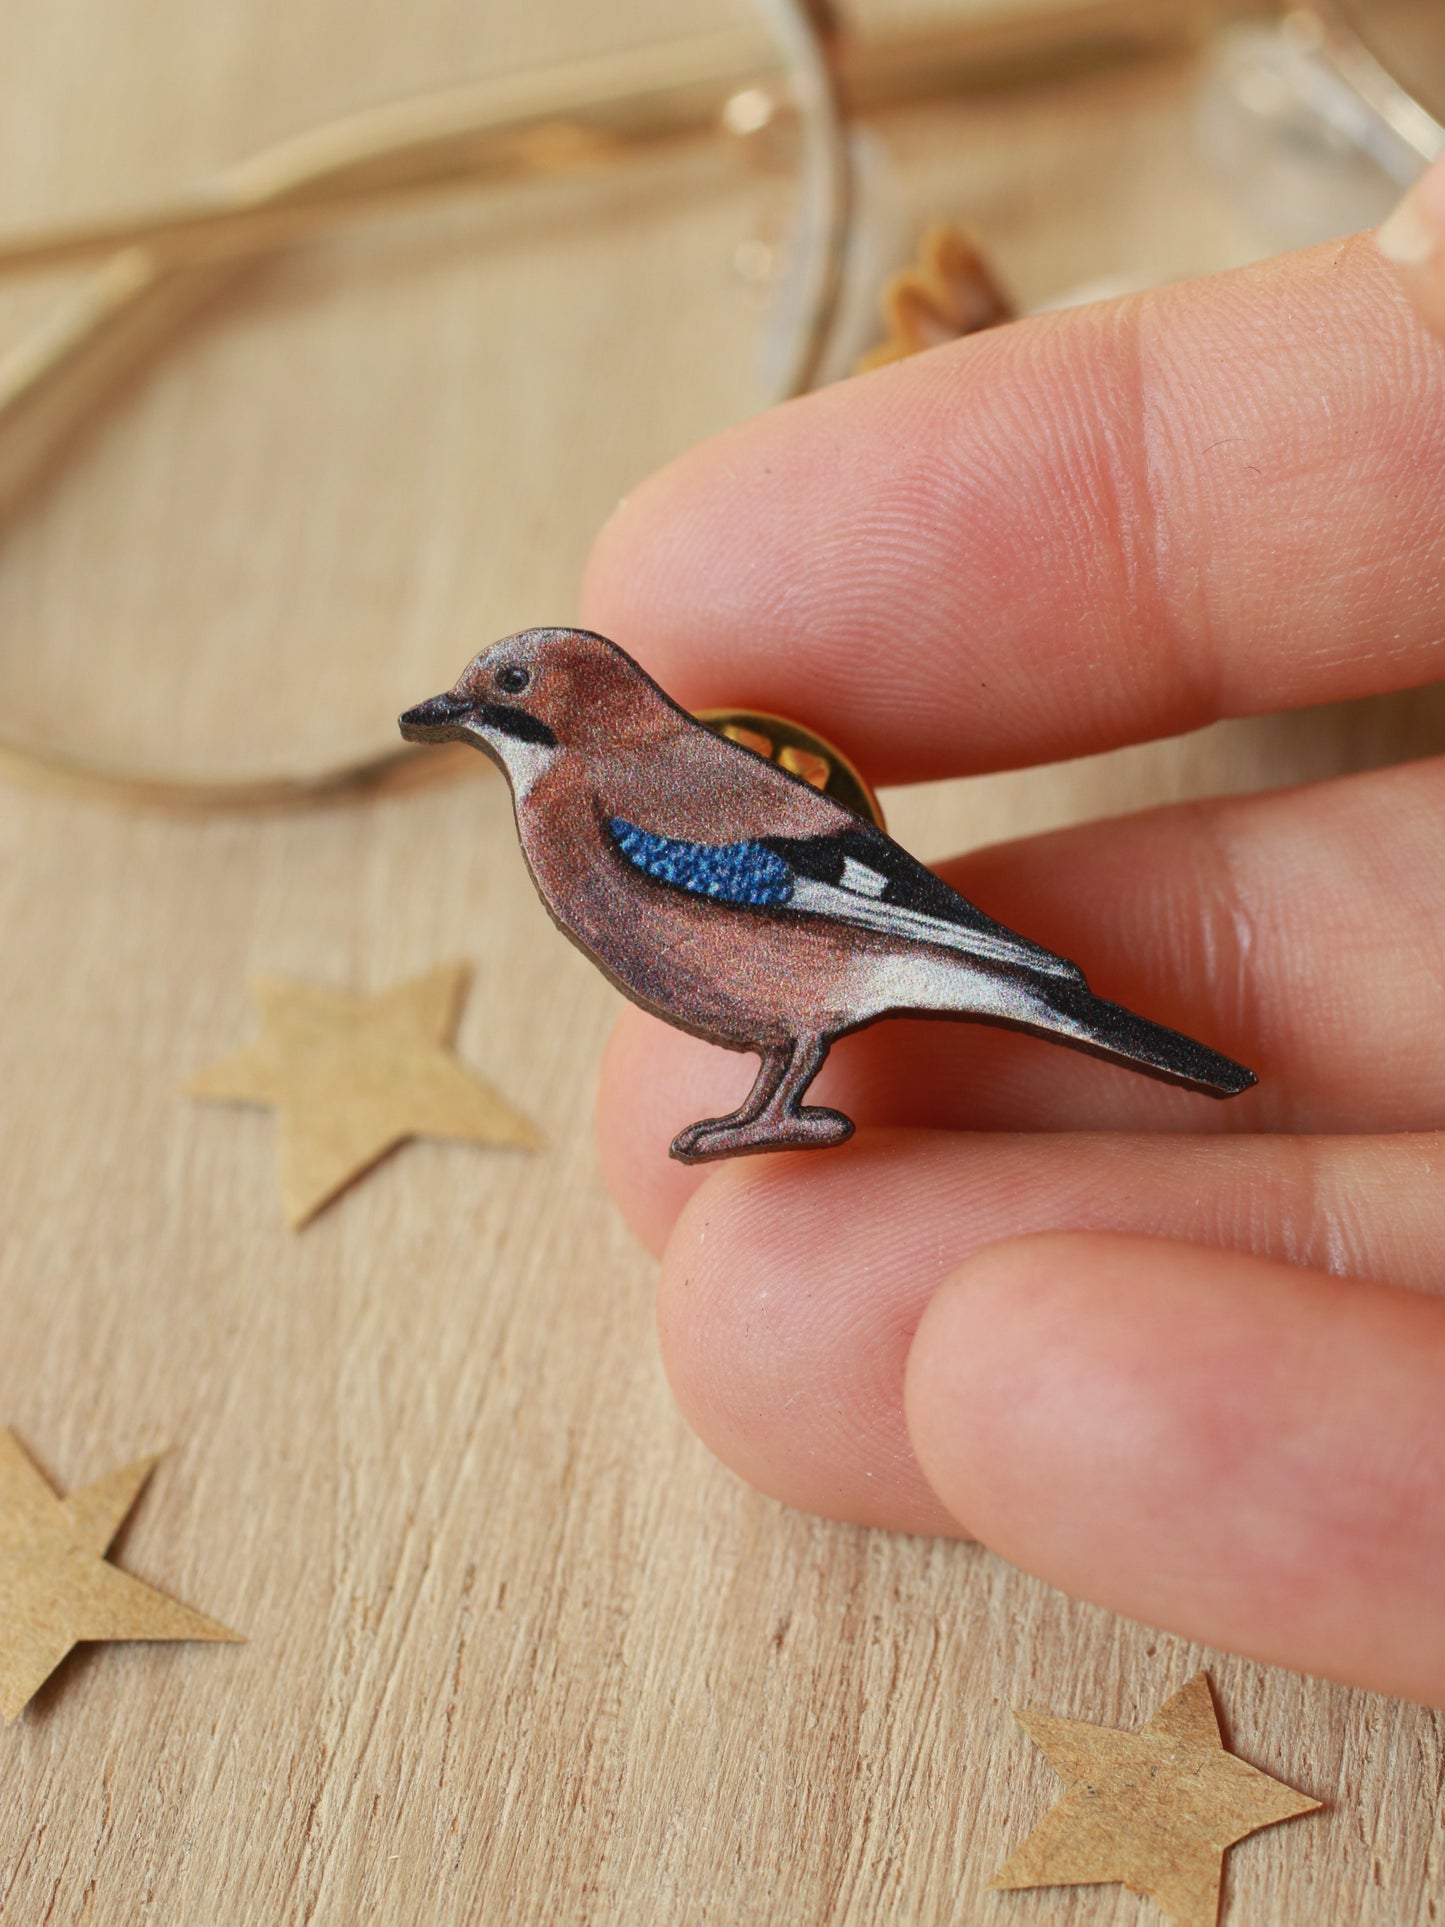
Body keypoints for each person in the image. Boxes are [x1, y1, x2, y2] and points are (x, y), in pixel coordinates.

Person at [581, 158, 1445, 1711]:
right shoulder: (605, 795)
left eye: (509, 699)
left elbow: (825, 889)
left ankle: (795, 1086)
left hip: (851, 941)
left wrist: (971, 957)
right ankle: (782, 1090)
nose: (478, 717)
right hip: (824, 968)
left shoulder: (631, 798)